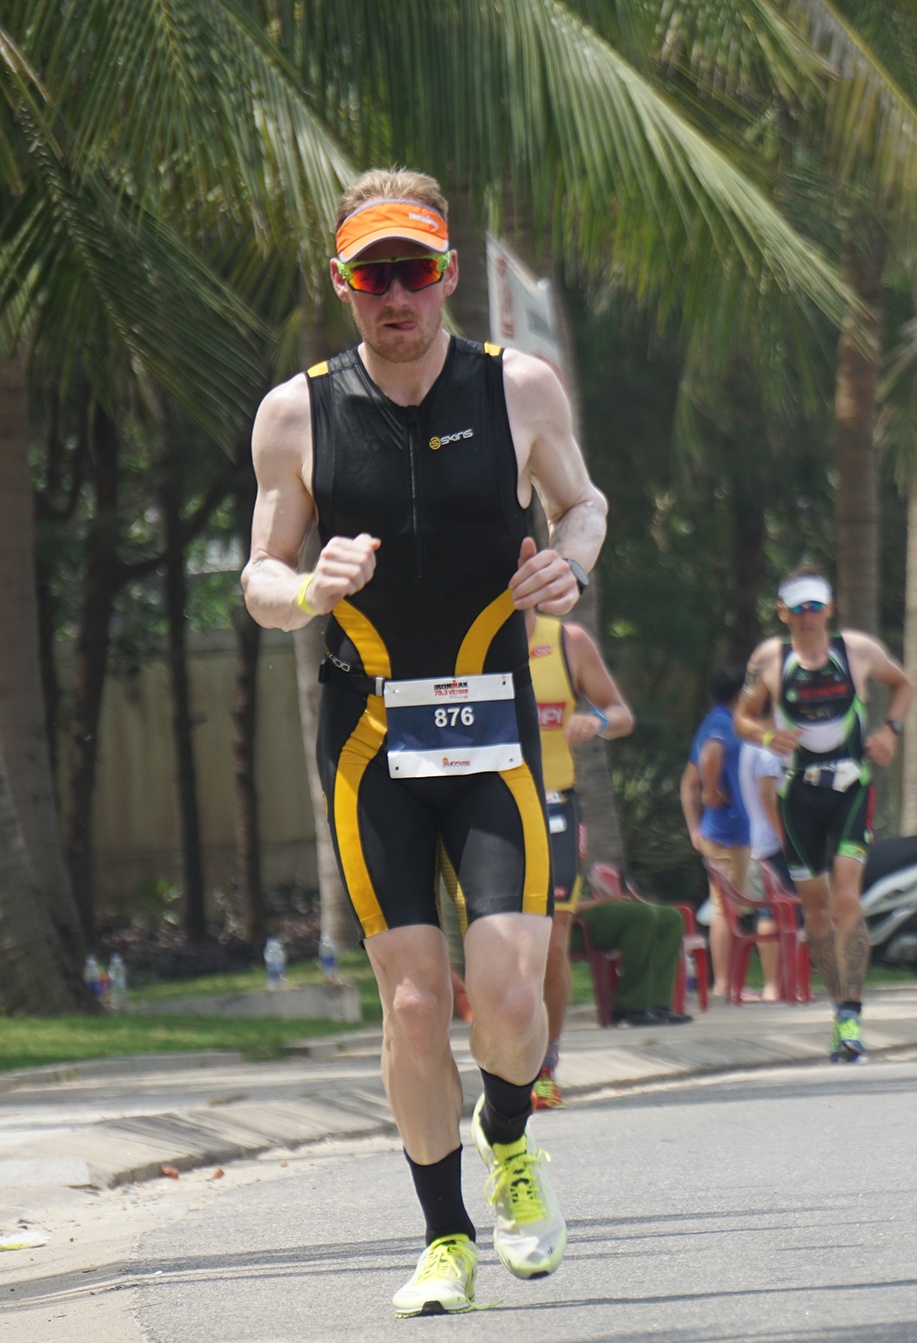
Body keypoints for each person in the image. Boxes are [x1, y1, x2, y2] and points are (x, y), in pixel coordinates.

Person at [242, 169, 605, 1314]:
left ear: (447, 274)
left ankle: (511, 1136)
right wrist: (310, 588)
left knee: (507, 994)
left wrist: (569, 562)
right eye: (372, 276)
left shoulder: (518, 387)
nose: (394, 295)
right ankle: (446, 1237)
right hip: (371, 741)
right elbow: (257, 577)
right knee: (411, 1001)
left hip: (493, 728)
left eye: (414, 271)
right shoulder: (296, 412)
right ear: (342, 283)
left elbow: (584, 502)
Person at [735, 567, 914, 1062]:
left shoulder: (856, 650)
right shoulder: (770, 659)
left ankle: (851, 1013)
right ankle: (838, 1009)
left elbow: (903, 684)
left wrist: (890, 731)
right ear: (783, 613)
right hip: (798, 794)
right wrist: (767, 736)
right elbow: (742, 716)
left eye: (815, 606)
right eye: (798, 608)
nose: (807, 617)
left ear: (829, 609)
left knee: (846, 895)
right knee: (814, 907)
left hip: (851, 786)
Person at [527, 610, 635, 1111]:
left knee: (553, 944)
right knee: (499, 944)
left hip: (555, 807)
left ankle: (545, 1067)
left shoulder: (567, 640)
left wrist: (598, 721)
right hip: (488, 808)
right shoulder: (470, 636)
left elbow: (621, 713)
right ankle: (505, 1064)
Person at [681, 666, 754, 1000]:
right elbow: (711, 755)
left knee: (728, 906)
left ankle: (728, 982)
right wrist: (711, 793)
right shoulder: (723, 725)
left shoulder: (714, 721)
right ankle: (725, 984)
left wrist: (694, 828)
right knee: (726, 907)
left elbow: (687, 782)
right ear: (741, 693)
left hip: (722, 830)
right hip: (727, 830)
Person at [574, 862, 694, 1027]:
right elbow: (558, 905)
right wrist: (603, 902)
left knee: (672, 917)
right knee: (642, 915)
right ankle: (630, 1005)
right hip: (569, 924)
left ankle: (656, 1003)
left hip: (589, 908)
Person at [736, 737, 790, 993]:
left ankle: (778, 983)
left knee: (775, 910)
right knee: (777, 911)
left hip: (759, 838)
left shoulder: (749, 747)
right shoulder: (768, 754)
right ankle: (773, 985)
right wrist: (786, 839)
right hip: (773, 842)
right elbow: (769, 801)